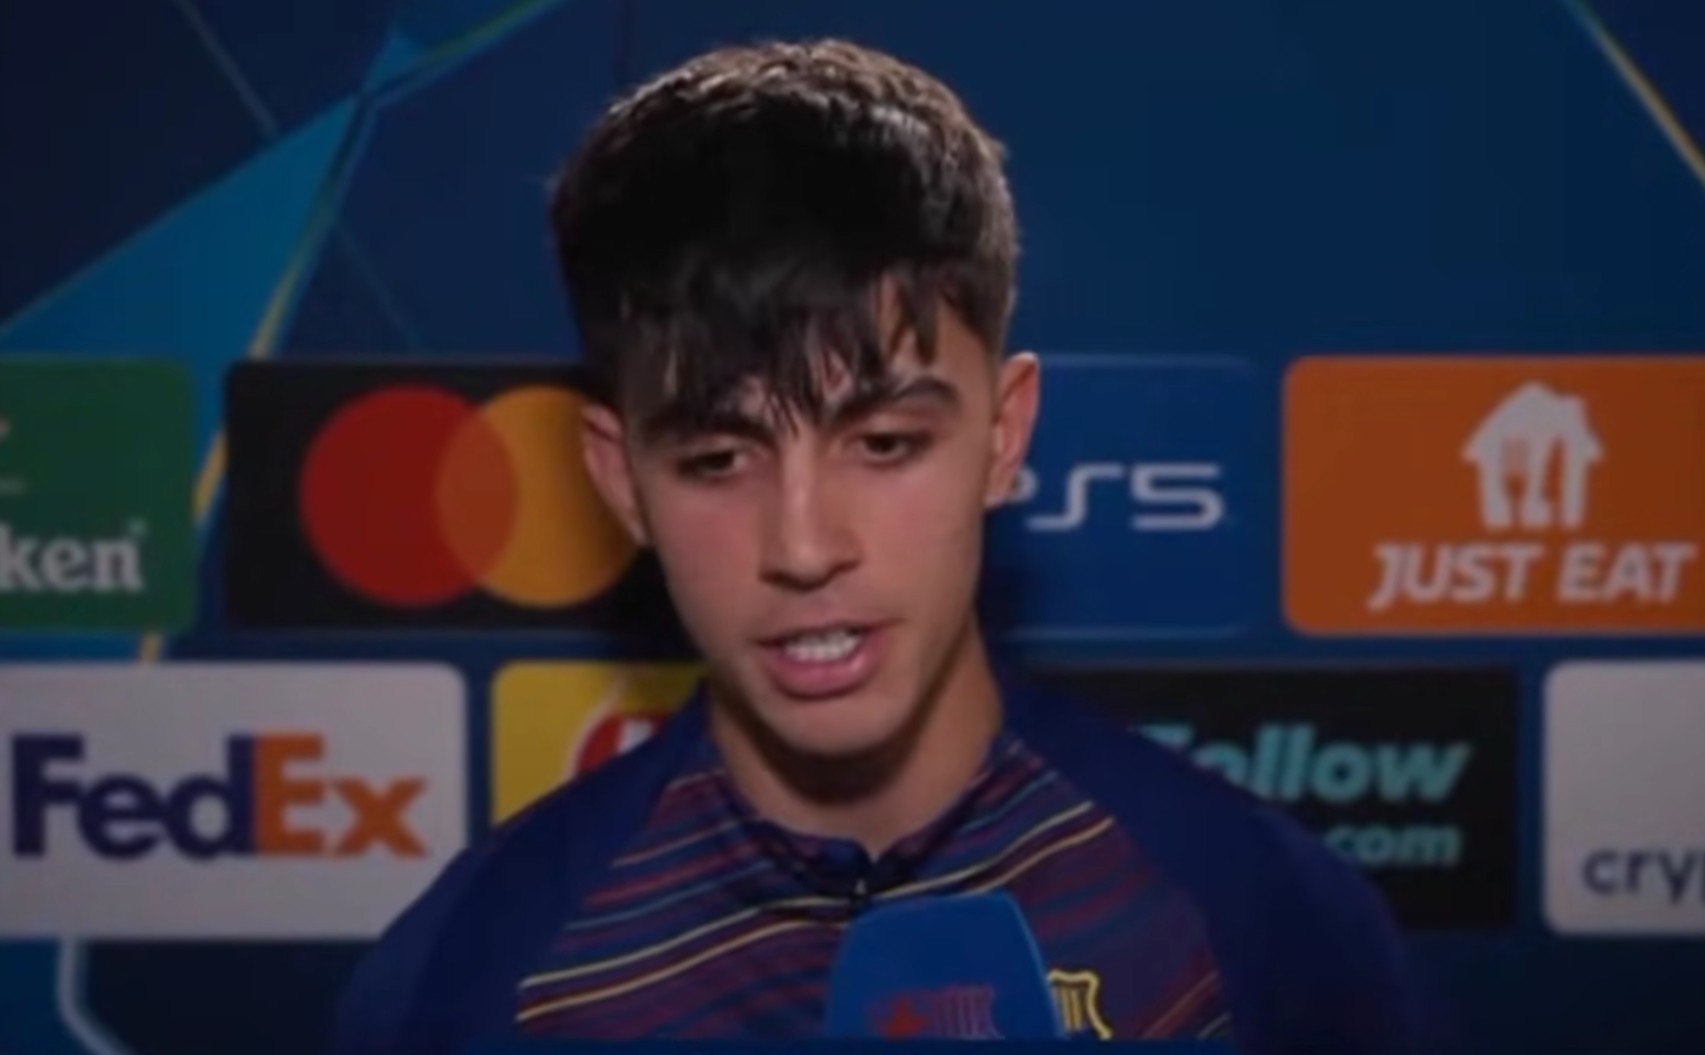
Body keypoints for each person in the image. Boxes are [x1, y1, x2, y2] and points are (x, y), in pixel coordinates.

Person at [330, 37, 1442, 1054]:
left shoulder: (1266, 922)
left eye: (883, 442)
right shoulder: (472, 976)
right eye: (717, 459)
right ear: (622, 480)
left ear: (1002, 436)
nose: (804, 545)